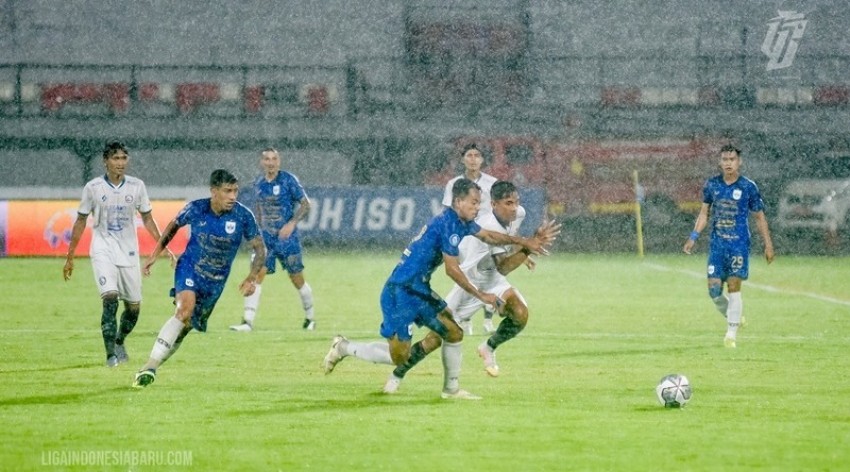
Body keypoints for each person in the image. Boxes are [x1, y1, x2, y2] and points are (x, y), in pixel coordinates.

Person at [322, 178, 559, 399]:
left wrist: (523, 241)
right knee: (399, 356)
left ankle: (451, 390)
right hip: (399, 292)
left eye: (479, 203)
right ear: (458, 202)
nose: (477, 208)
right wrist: (482, 295)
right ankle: (343, 347)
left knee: (453, 332)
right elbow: (452, 271)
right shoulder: (447, 225)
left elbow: (489, 236)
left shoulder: (461, 222)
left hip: (419, 289)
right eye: (473, 203)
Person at [132, 169, 265, 388]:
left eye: (235, 191)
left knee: (184, 328)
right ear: (214, 191)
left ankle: (152, 366)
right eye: (227, 191)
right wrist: (155, 255)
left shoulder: (243, 215)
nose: (233, 196)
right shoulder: (196, 209)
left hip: (215, 282)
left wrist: (251, 277)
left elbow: (260, 249)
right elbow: (173, 226)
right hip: (190, 268)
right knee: (184, 310)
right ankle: (149, 365)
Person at [62, 141, 173, 368]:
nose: (120, 163)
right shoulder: (93, 188)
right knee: (110, 298)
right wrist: (70, 255)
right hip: (102, 248)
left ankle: (120, 340)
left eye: (123, 158)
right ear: (105, 162)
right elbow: (81, 221)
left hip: (129, 252)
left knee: (133, 308)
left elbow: (148, 219)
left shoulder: (137, 186)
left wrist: (164, 247)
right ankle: (110, 354)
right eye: (115, 158)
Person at [683, 144, 775, 348]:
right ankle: (734, 316)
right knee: (714, 291)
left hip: (738, 245)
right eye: (724, 159)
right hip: (717, 246)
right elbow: (704, 213)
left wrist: (768, 245)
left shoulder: (748, 187)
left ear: (739, 161)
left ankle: (731, 335)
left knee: (734, 286)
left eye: (732, 159)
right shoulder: (712, 185)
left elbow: (759, 217)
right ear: (720, 162)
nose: (728, 163)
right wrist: (693, 236)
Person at [229, 148, 315, 332]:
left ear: (279, 161)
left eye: (274, 159)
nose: (271, 162)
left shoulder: (288, 180)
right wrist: (256, 232)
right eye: (267, 159)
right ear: (262, 162)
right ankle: (247, 322)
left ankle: (310, 318)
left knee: (297, 279)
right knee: (256, 274)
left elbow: (306, 204)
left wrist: (291, 224)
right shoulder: (259, 183)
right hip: (265, 239)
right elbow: (259, 209)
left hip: (287, 240)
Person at [442, 143, 499, 335]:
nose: (473, 159)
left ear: (482, 160)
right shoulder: (454, 184)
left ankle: (488, 320)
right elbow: (449, 211)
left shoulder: (492, 183)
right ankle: (465, 318)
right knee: (468, 276)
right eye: (469, 155)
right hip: (467, 237)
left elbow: (498, 211)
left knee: (490, 275)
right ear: (463, 159)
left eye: (477, 155)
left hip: (487, 236)